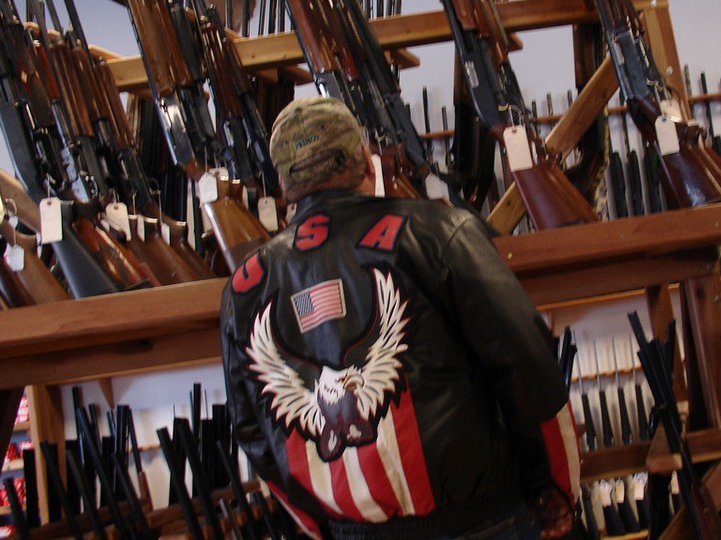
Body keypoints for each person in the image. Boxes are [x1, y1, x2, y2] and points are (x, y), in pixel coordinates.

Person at [220, 96, 580, 539]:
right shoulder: (438, 232)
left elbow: (253, 433)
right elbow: (527, 363)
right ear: (365, 162)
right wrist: (556, 487)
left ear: (284, 185)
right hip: (481, 521)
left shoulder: (244, 287)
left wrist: (324, 526)